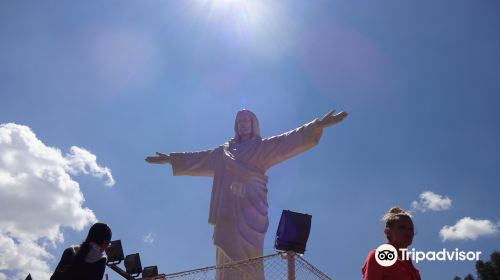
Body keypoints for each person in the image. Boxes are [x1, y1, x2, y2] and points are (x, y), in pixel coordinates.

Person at [146, 109, 347, 279]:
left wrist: (316, 126)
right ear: (236, 125)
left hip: (250, 213)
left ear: (253, 124)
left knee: (249, 262)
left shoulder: (261, 148)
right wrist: (172, 159)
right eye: (239, 120)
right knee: (225, 257)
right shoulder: (223, 152)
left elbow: (287, 141)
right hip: (226, 213)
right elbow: (198, 159)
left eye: (246, 120)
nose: (242, 123)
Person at [362, 207, 421, 280]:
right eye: (402, 227)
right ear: (388, 232)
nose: (408, 232)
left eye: (411, 229)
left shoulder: (413, 270)